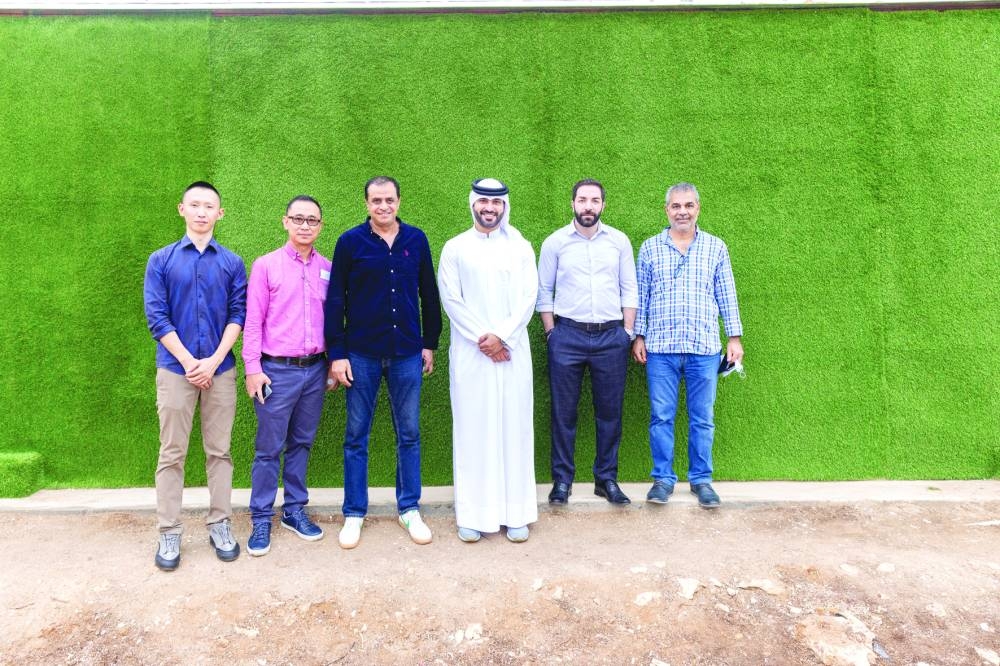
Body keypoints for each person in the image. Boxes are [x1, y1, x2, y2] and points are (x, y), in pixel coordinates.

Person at [325, 176, 442, 549]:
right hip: (361, 354)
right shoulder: (349, 243)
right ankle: (354, 512)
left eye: (389, 200)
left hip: (408, 351)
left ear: (399, 201)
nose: (383, 206)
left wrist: (430, 343)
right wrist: (337, 353)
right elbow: (336, 302)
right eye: (376, 200)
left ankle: (409, 508)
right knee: (356, 436)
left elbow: (429, 294)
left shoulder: (417, 240)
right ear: (366, 204)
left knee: (409, 434)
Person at [143, 181, 247, 571]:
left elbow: (239, 314)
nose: (202, 212)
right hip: (175, 370)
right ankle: (169, 531)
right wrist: (190, 362)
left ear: (220, 213)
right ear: (181, 209)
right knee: (172, 453)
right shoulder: (162, 260)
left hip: (220, 370)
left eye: (210, 206)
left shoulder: (232, 262)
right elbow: (157, 317)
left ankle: (220, 523)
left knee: (219, 452)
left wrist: (214, 359)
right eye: (195, 205)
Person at [437, 178, 539, 543]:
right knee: (473, 430)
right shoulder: (455, 248)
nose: (489, 209)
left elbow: (530, 296)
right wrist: (486, 339)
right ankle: (474, 515)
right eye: (483, 202)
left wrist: (504, 337)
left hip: (512, 353)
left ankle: (517, 514)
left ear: (504, 207)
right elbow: (451, 299)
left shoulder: (522, 247)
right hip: (471, 354)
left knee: (514, 429)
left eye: (496, 203)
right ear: (473, 204)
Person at [632, 182, 744, 509]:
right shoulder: (650, 248)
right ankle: (663, 480)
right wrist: (639, 336)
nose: (682, 211)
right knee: (661, 416)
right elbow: (642, 296)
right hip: (661, 348)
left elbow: (726, 293)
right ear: (666, 210)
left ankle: (701, 480)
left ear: (698, 208)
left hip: (704, 346)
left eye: (688, 205)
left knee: (702, 417)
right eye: (676, 206)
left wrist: (733, 337)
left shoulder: (716, 248)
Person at [537, 178, 638, 506]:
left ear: (603, 206)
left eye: (595, 200)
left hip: (612, 337)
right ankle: (562, 481)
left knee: (610, 413)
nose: (588, 206)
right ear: (573, 204)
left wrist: (627, 332)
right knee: (563, 413)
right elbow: (543, 290)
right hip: (567, 336)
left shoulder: (619, 242)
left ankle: (606, 479)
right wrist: (551, 331)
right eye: (582, 200)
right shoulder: (555, 243)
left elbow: (630, 288)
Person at [243, 195, 332, 556]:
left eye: (312, 220)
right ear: (285, 222)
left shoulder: (327, 267)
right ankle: (261, 516)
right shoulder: (266, 266)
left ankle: (294, 510)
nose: (305, 226)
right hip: (275, 371)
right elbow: (253, 321)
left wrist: (331, 364)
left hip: (314, 371)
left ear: (320, 226)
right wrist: (252, 368)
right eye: (298, 219)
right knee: (268, 449)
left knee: (302, 443)